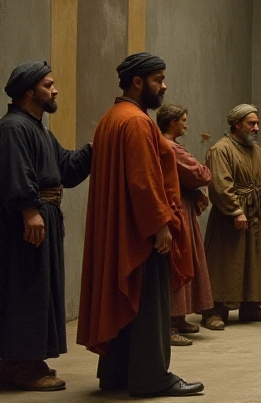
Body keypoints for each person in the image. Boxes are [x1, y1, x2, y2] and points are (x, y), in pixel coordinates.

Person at [77, 52, 203, 396]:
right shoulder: (136, 122)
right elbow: (143, 180)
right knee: (148, 305)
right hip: (140, 232)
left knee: (126, 300)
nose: (164, 86)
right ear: (137, 82)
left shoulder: (111, 118)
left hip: (121, 229)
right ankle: (151, 377)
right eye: (158, 80)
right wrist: (160, 225)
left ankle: (117, 373)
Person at [0, 61, 91, 391]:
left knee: (40, 290)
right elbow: (14, 172)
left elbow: (65, 168)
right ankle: (20, 364)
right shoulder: (14, 128)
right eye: (48, 85)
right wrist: (29, 210)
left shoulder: (38, 129)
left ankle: (27, 359)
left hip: (43, 217)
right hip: (25, 223)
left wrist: (94, 149)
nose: (55, 91)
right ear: (28, 91)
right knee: (26, 290)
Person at [202, 104, 261, 330]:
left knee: (253, 261)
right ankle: (215, 310)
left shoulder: (257, 150)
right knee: (225, 261)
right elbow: (220, 185)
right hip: (230, 216)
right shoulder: (221, 150)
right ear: (237, 124)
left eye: (257, 123)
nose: (256, 128)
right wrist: (236, 210)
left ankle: (250, 306)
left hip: (255, 214)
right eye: (251, 123)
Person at [156, 104, 214, 347]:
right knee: (177, 263)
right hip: (176, 210)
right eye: (183, 120)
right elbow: (201, 175)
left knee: (183, 260)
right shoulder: (170, 147)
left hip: (180, 207)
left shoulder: (164, 144)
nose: (186, 124)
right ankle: (168, 324)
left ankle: (178, 317)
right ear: (172, 122)